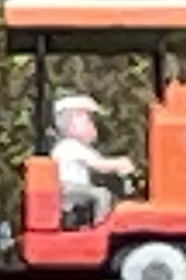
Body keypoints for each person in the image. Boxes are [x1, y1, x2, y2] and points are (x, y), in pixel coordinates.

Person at [47, 93, 138, 227]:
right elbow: (100, 165)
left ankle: (91, 224)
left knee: (98, 194)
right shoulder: (71, 146)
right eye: (87, 120)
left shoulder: (74, 146)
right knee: (102, 195)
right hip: (67, 188)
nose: (92, 125)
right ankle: (101, 227)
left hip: (72, 188)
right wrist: (121, 163)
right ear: (72, 123)